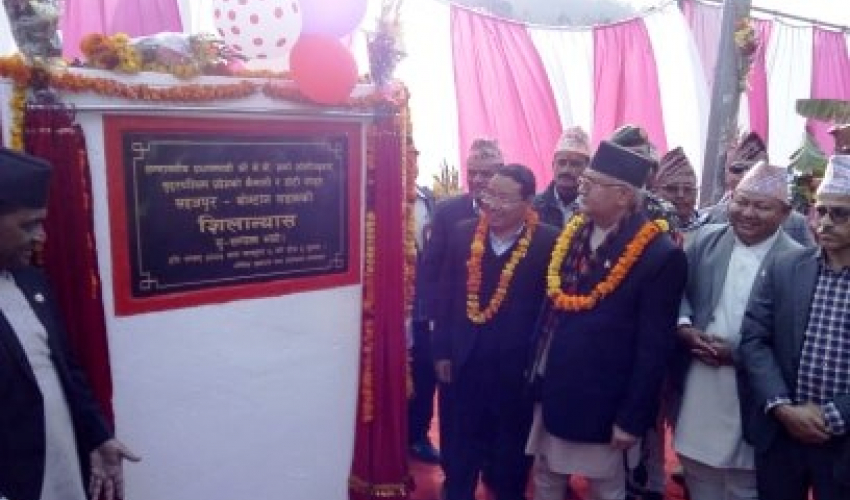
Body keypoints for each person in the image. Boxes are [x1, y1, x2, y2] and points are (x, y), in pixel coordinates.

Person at [527, 141, 687, 500]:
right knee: (547, 477)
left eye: (592, 182)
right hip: (554, 385)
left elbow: (654, 347)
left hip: (605, 399)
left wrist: (631, 418)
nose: (580, 186)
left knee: (605, 488)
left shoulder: (659, 254)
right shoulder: (574, 233)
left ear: (623, 196)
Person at [0, 148, 139, 500]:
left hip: (61, 469)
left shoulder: (31, 281)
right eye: (28, 225)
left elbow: (65, 368)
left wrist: (97, 436)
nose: (41, 236)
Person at [672, 161, 801, 500]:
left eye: (761, 206)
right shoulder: (706, 239)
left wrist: (739, 354)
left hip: (755, 387)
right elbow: (676, 292)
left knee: (746, 479)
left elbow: (794, 339)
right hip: (701, 377)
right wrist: (685, 328)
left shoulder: (798, 261)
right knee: (699, 471)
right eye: (741, 201)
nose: (747, 213)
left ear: (785, 213)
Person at [433, 164, 558, 500]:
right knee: (460, 443)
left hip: (515, 368)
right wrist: (441, 351)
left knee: (510, 451)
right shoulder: (462, 234)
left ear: (528, 202)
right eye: (489, 195)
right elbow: (445, 296)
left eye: (504, 198)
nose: (492, 205)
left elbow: (550, 309)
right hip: (464, 359)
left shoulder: (548, 242)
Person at [738, 154, 850, 500]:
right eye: (821, 211)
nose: (824, 222)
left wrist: (833, 415)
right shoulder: (786, 267)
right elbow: (754, 339)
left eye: (840, 214)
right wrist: (782, 408)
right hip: (783, 434)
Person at [418, 138, 504, 474]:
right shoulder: (448, 212)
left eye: (487, 173)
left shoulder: (520, 212)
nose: (478, 180)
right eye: (473, 172)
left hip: (500, 331)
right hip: (456, 328)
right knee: (454, 405)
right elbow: (431, 271)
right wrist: (435, 326)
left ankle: (494, 468)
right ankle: (455, 474)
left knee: (497, 407)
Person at [702, 131, 815, 248]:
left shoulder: (795, 223)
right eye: (738, 169)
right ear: (725, 173)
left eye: (755, 169)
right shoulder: (706, 220)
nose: (747, 175)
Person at [408, 184, 440, 463]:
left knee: (424, 376)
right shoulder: (371, 193)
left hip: (422, 309)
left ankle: (418, 435)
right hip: (385, 308)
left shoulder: (426, 198)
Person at [534, 126, 591, 228]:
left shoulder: (596, 208)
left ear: (587, 169)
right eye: (561, 163)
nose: (566, 170)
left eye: (575, 164)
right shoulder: (533, 207)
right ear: (553, 165)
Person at [654, 147, 702, 245]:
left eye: (688, 189)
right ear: (654, 191)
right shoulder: (640, 229)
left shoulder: (711, 235)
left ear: (696, 192)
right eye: (672, 188)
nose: (681, 195)